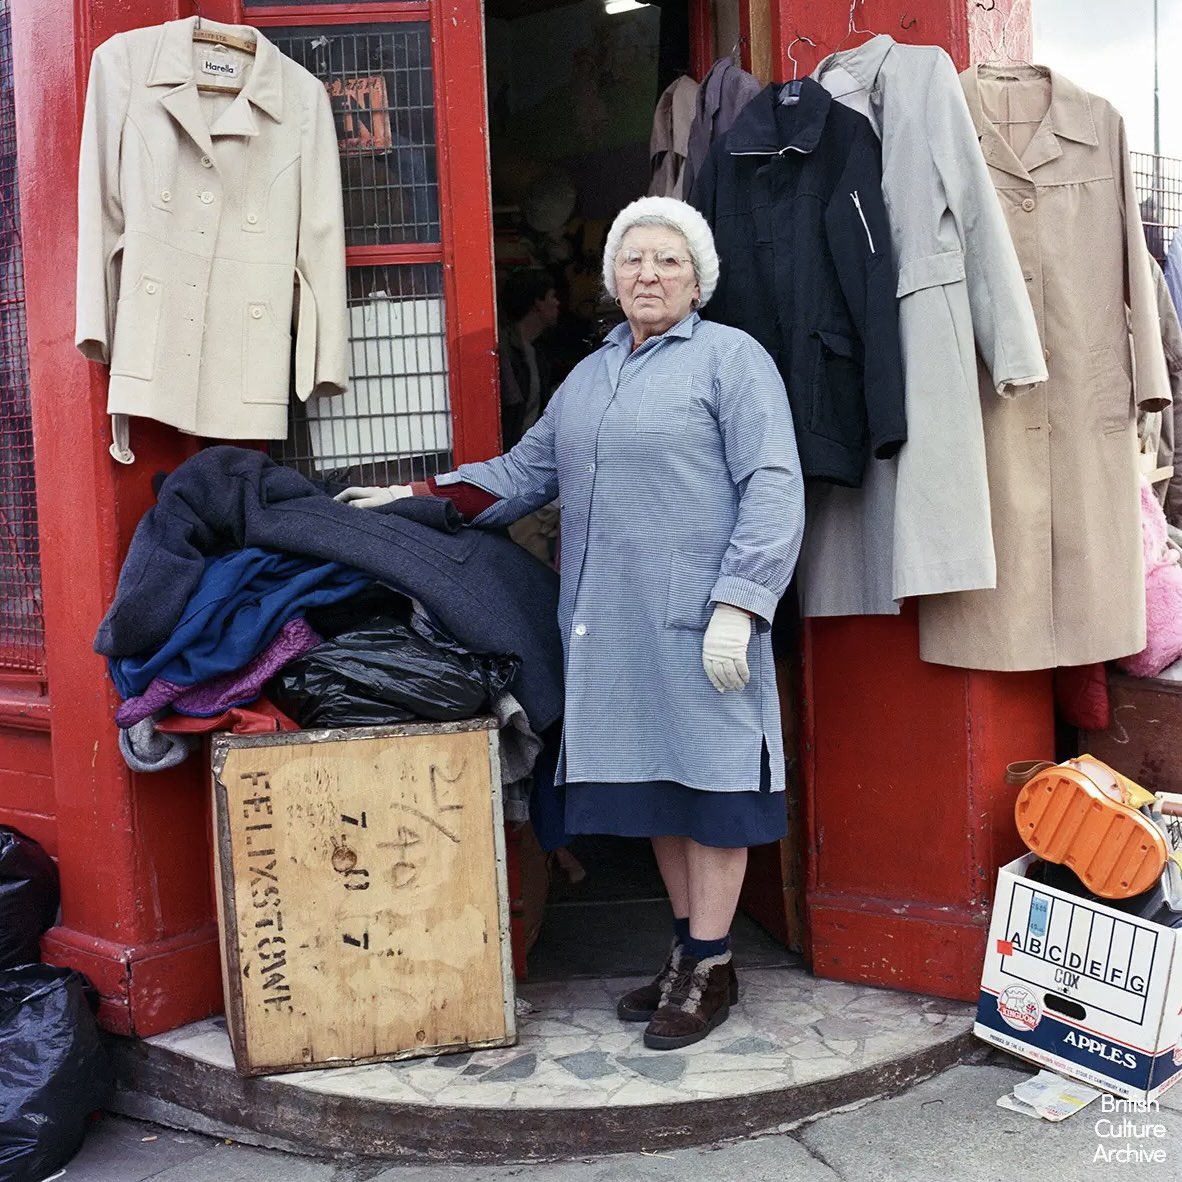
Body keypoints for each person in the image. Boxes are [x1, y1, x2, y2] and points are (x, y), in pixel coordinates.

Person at [336, 196, 805, 1050]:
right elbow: (522, 473)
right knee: (660, 789)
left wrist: (740, 603)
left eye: (668, 260)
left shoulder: (733, 361)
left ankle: (711, 964)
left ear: (699, 280)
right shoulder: (590, 375)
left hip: (703, 624)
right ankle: (688, 954)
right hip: (613, 630)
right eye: (633, 259)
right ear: (611, 279)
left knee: (713, 791)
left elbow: (774, 486)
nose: (648, 273)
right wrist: (417, 499)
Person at [498, 269, 560, 450]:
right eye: (552, 296)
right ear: (537, 304)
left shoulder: (536, 352)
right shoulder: (505, 350)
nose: (557, 303)